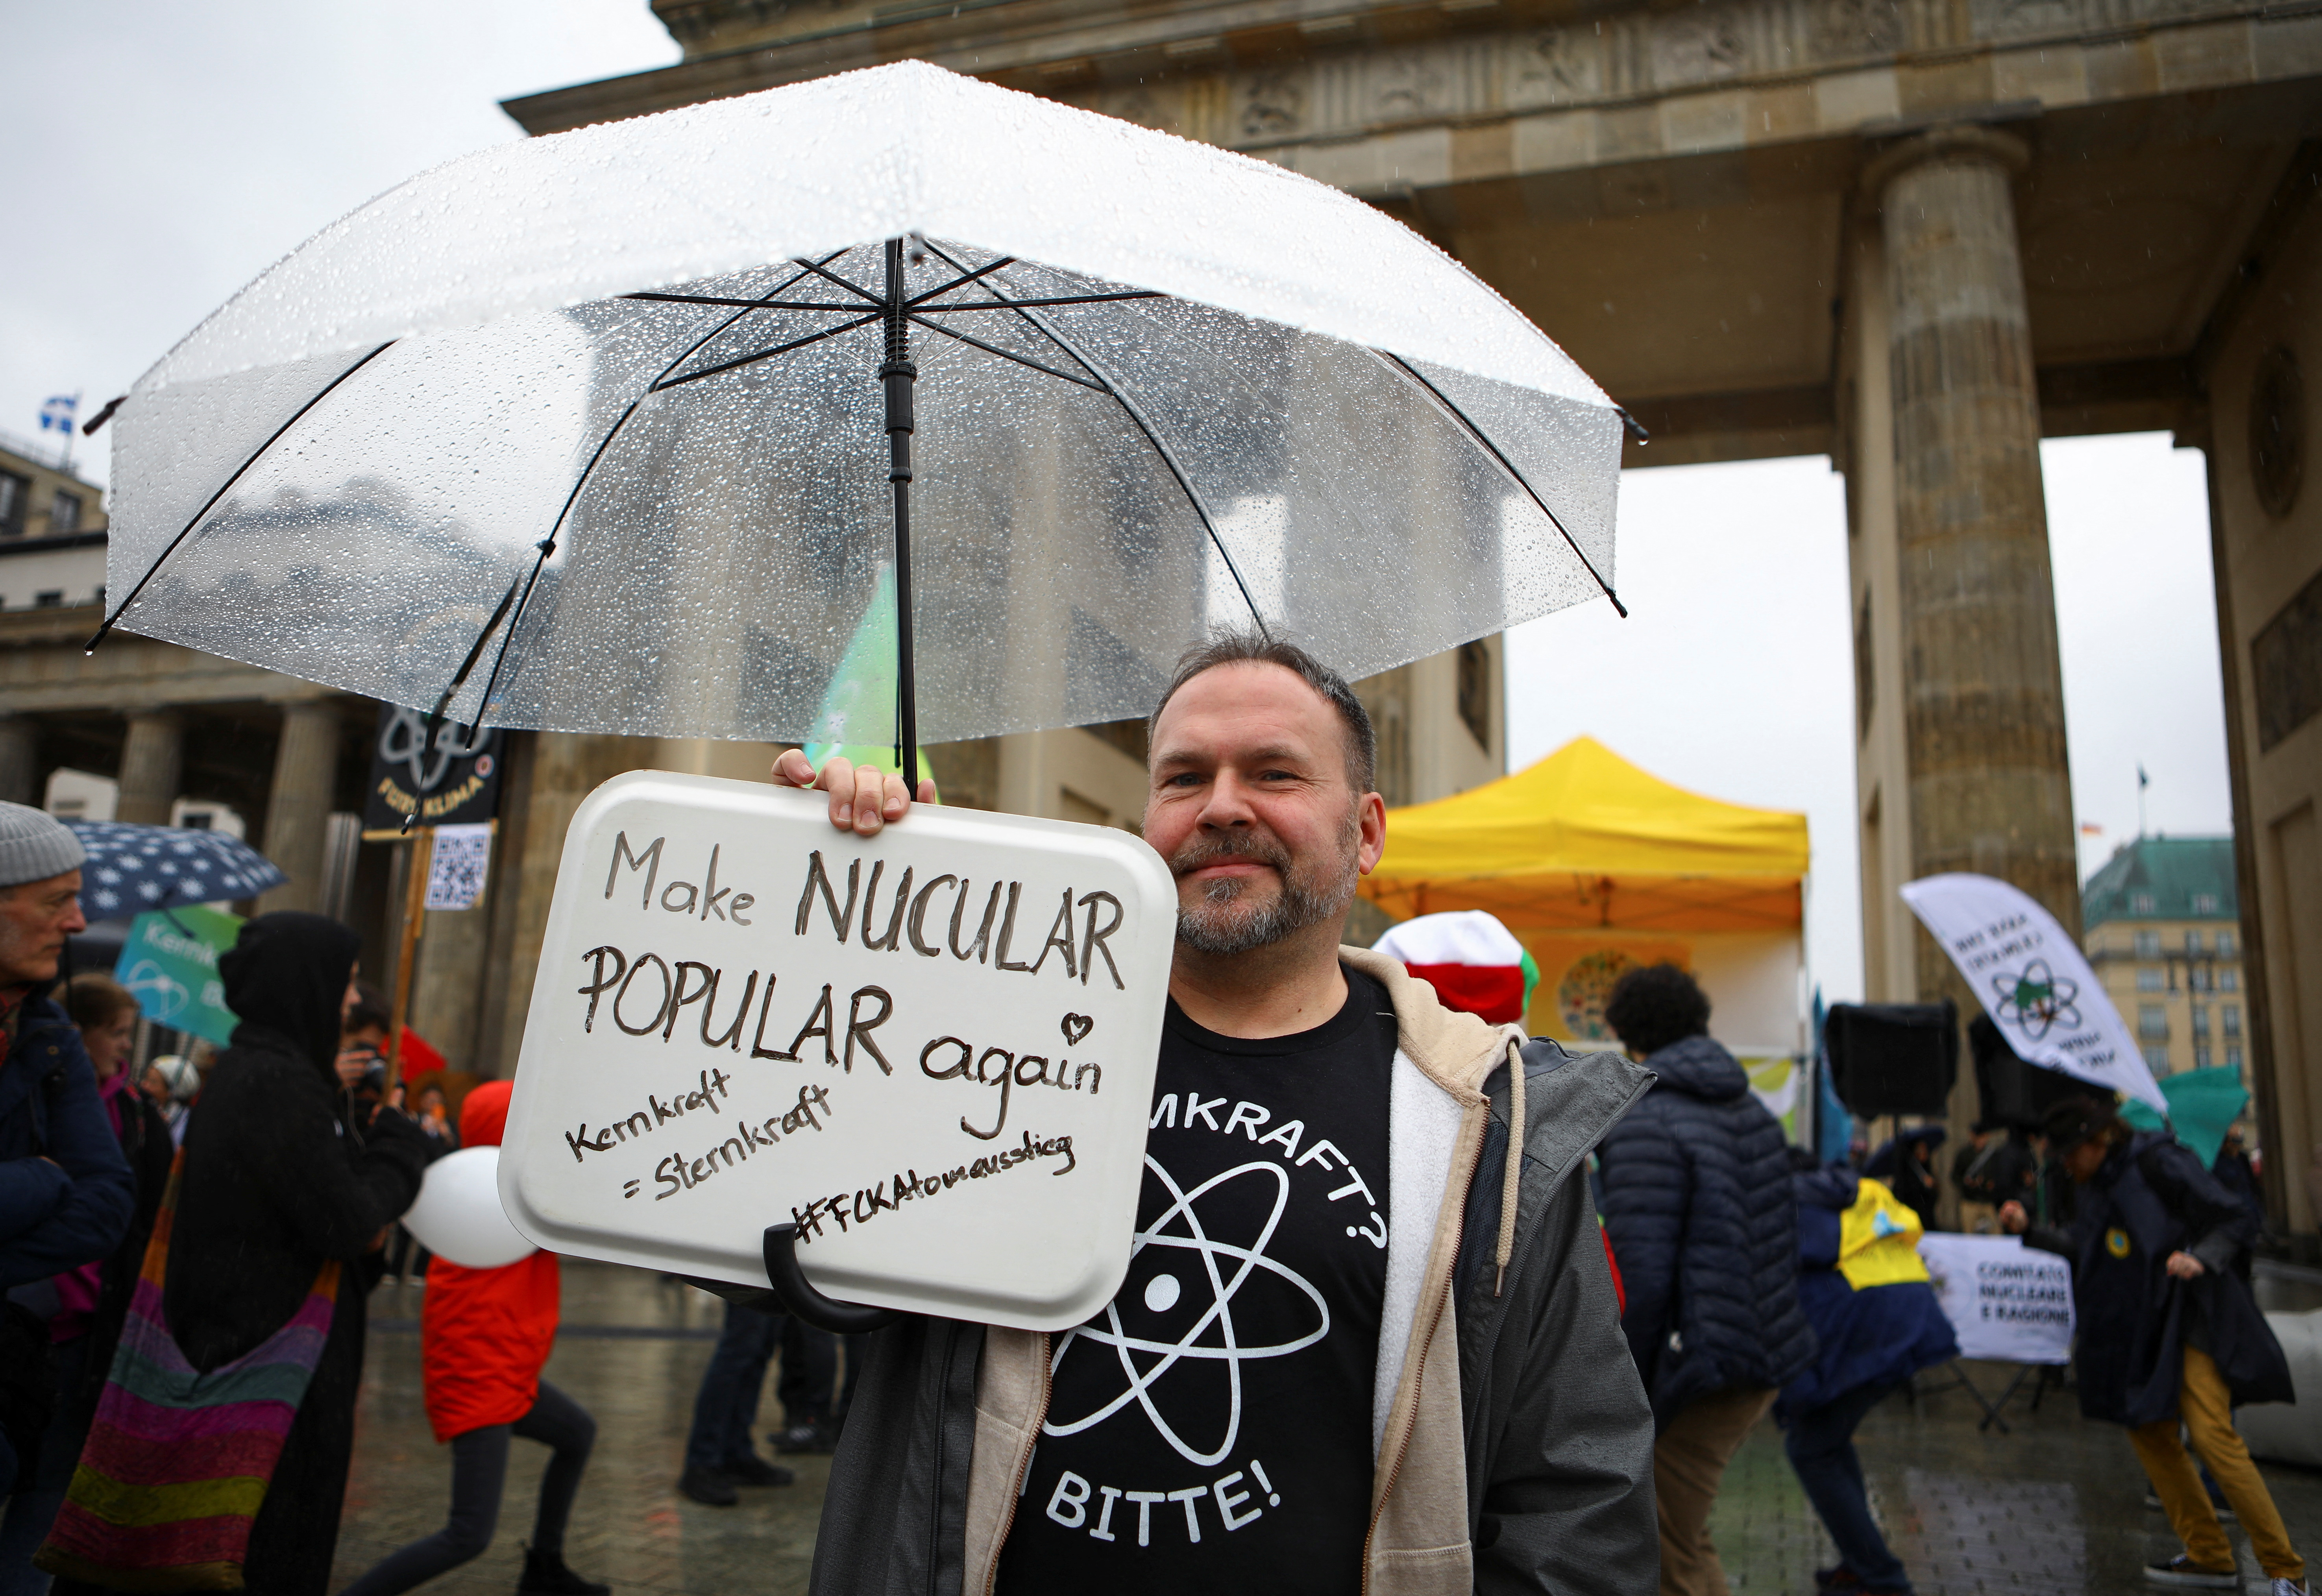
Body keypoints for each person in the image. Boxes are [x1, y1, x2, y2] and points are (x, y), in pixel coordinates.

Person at [783, 630, 1658, 1596]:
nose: (1222, 806)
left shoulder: (1490, 1126)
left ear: (1364, 830)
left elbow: (1575, 1505)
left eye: (1274, 773)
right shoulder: (984, 1051)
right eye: (1183, 777)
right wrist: (826, 932)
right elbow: (771, 1240)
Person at [158, 914, 431, 1595]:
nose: (347, 1002)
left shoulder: (262, 1071)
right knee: (268, 1557)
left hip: (265, 1364)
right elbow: (350, 1222)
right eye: (341, 984)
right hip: (268, 1375)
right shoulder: (276, 1083)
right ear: (302, 985)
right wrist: (399, 1151)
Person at [2002, 1097, 2306, 1595]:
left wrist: (2198, 1258)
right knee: (2148, 1429)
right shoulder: (2095, 1185)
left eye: (2068, 1155)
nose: (2065, 1166)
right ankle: (2208, 1554)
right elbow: (2087, 1246)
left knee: (2211, 1435)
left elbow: (2235, 1216)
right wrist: (2028, 1232)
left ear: (2096, 1141)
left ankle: (2286, 1571)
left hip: (2193, 1315)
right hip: (2145, 1325)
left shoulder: (2159, 1160)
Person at [1595, 961, 1814, 1596]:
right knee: (1681, 1529)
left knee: (1663, 1546)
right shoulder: (1748, 1106)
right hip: (1755, 1350)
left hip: (1704, 1365)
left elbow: (1642, 1275)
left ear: (1629, 1033)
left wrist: (1615, 1389)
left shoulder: (1647, 1122)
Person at [341, 1081, 607, 1596]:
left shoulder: (487, 1190)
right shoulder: (507, 1197)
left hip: (503, 1372)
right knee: (467, 1535)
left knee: (577, 1433)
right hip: (479, 1378)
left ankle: (544, 1567)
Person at [0, 977, 174, 1595]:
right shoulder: (41, 1096)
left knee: (49, 1488)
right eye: (118, 1034)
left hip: (84, 1330)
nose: (125, 1050)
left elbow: (114, 1211)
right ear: (80, 1032)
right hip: (29, 1309)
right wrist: (41, 1184)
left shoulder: (132, 1112)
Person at [0, 805, 135, 1515]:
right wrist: (36, 1180)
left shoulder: (48, 1035)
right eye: (57, 901)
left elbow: (107, 1202)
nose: (79, 923)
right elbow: (71, 1187)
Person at [1779, 1151, 1957, 1596]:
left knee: (1811, 1449)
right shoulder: (1855, 1192)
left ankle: (1880, 1576)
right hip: (1907, 1316)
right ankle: (1861, 1565)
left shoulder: (1795, 1205)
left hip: (1874, 1328)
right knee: (1824, 1440)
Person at [676, 1302, 797, 1505]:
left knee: (760, 1348)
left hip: (777, 1272)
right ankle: (701, 1461)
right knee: (740, 1347)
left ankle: (736, 1453)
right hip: (755, 1271)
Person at [1862, 1127, 1943, 1233]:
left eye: (1925, 1150)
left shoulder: (1925, 1169)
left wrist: (1931, 1186)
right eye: (1920, 1150)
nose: (1924, 1153)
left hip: (1927, 1221)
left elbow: (1933, 1198)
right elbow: (1904, 1195)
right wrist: (1920, 1185)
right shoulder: (1905, 1171)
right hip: (1910, 1219)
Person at [1950, 1122, 2010, 1234]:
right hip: (1970, 1201)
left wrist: (1992, 1184)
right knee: (1969, 1233)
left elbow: (1999, 1174)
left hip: (1988, 1201)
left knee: (1996, 1232)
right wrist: (1967, 1184)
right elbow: (1955, 1176)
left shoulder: (1993, 1155)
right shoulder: (1964, 1155)